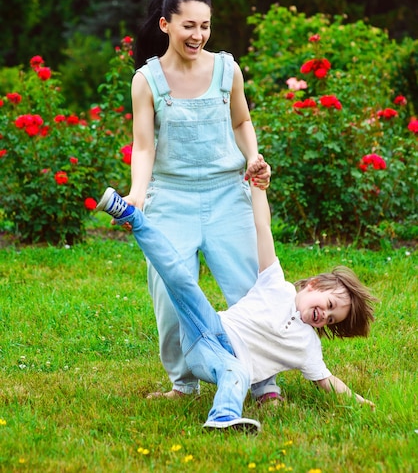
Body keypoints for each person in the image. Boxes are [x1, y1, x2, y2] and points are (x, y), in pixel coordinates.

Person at [95, 174, 377, 433]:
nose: (324, 315)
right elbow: (262, 227)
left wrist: (359, 401)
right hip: (208, 326)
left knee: (238, 372)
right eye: (328, 305)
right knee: (179, 277)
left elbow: (327, 381)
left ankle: (223, 417)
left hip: (217, 359)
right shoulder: (275, 283)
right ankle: (131, 215)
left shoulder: (307, 347)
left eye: (331, 320)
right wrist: (258, 186)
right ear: (313, 283)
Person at [124, 0, 279, 402]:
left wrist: (253, 156)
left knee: (249, 289)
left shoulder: (227, 70)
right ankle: (184, 383)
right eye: (188, 25)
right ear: (166, 24)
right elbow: (143, 145)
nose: (198, 35)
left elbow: (242, 122)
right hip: (171, 199)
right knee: (171, 295)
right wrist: (138, 194)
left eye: (205, 26)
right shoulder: (147, 80)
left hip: (227, 195)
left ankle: (265, 382)